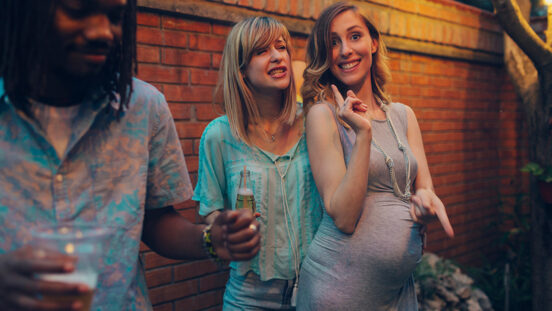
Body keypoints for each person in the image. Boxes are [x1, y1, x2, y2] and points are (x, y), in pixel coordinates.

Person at [0, 0, 260, 310]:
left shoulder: (143, 107)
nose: (103, 32)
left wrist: (210, 240)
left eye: (115, 16)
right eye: (78, 10)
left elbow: (155, 220)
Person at [296, 2, 455, 310]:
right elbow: (343, 216)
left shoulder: (403, 115)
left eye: (354, 36)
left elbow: (424, 188)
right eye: (333, 43)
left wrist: (425, 203)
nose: (345, 50)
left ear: (373, 42)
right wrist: (363, 134)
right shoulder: (322, 116)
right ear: (325, 56)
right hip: (338, 291)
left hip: (395, 293)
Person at [193, 16, 323, 310]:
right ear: (241, 69)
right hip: (248, 297)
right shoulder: (219, 136)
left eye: (282, 47)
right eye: (262, 50)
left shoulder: (315, 122)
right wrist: (228, 227)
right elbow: (210, 212)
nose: (278, 56)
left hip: (319, 291)